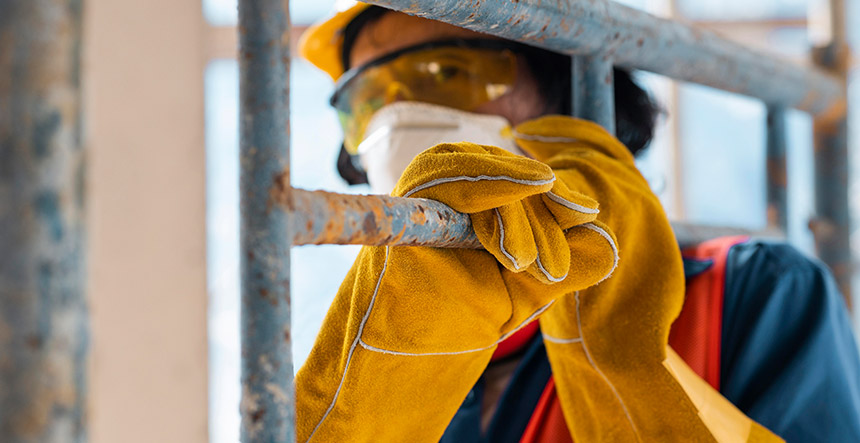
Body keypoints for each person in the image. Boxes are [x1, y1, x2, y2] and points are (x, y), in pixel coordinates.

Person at [295, 3, 860, 442]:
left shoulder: (749, 292)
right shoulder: (374, 338)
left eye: (446, 73)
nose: (398, 121)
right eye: (367, 103)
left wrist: (626, 372)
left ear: (563, 88)